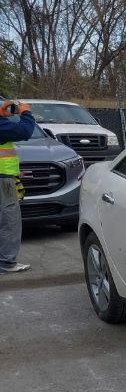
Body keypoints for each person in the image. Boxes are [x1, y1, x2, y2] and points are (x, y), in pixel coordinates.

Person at [0, 99, 35, 274]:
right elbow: (25, 130)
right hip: (3, 179)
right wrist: (26, 112)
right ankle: (6, 262)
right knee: (9, 221)